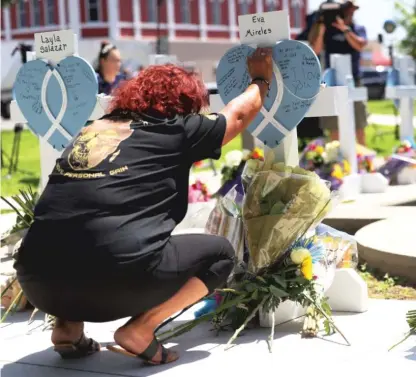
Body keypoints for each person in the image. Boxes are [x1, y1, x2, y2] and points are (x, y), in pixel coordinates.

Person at [14, 49, 273, 366]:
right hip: (116, 280)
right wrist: (261, 78)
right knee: (220, 254)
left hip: (36, 281)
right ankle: (141, 329)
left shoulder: (92, 129)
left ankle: (66, 328)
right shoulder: (174, 128)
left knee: (75, 234)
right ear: (185, 103)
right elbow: (237, 116)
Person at [308, 0, 368, 145]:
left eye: (352, 9)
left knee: (359, 122)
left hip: (353, 79)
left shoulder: (357, 28)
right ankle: (336, 158)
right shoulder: (328, 30)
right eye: (347, 8)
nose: (350, 11)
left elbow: (360, 45)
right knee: (334, 124)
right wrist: (321, 26)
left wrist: (345, 29)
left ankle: (362, 158)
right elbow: (315, 49)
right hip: (332, 82)